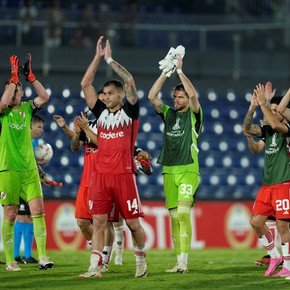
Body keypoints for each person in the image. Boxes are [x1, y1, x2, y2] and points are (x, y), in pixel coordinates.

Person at [79, 36, 147, 279]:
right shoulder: (100, 114)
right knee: (98, 223)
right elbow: (86, 84)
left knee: (133, 225)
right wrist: (97, 58)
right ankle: (94, 267)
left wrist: (110, 59)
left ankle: (140, 256)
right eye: (104, 94)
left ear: (120, 95)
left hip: (124, 176)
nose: (105, 97)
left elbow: (129, 80)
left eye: (109, 93)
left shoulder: (130, 112)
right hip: (101, 176)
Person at [148, 52, 203, 273]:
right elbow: (152, 96)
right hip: (169, 170)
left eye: (181, 97)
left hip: (189, 169)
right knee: (173, 218)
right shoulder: (169, 114)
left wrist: (180, 71)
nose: (177, 100)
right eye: (176, 97)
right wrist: (165, 72)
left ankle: (184, 262)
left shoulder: (195, 115)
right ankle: (178, 261)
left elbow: (194, 96)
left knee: (182, 213)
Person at [0, 54, 53, 271]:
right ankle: (11, 261)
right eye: (11, 89)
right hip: (8, 169)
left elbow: (44, 96)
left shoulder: (28, 109)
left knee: (38, 211)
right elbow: (3, 101)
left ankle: (42, 257)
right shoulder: (2, 112)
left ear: (21, 93)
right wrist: (13, 77)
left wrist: (30, 77)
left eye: (16, 90)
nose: (13, 94)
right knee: (11, 215)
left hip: (29, 168)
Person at [242, 83, 290, 278]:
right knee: (256, 222)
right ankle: (274, 256)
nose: (269, 113)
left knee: (282, 226)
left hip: (283, 183)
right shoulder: (267, 131)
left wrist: (265, 103)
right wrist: (253, 106)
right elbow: (246, 127)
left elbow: (277, 121)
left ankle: (288, 265)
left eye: (273, 111)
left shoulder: (285, 129)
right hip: (267, 185)